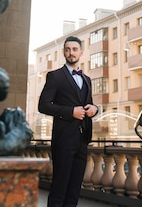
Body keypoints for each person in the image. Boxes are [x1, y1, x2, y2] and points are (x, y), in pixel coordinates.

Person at [38, 36, 98, 207]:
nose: (71, 53)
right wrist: (70, 112)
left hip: (82, 140)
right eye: (67, 49)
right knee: (60, 187)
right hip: (63, 139)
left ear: (81, 52)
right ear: (64, 52)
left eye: (74, 49)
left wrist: (95, 109)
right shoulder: (55, 76)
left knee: (74, 190)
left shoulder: (87, 79)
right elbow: (43, 105)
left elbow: (90, 103)